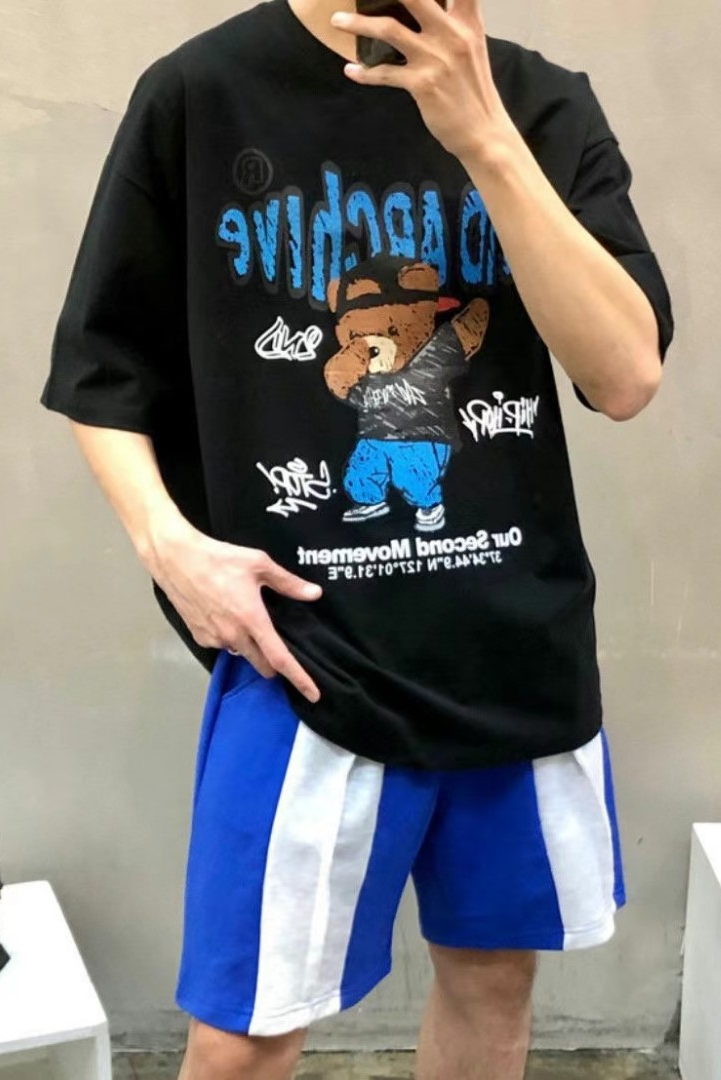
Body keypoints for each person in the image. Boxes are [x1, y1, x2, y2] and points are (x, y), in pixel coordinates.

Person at [40, 0, 674, 1076]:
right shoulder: (200, 95)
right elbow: (102, 372)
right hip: (303, 657)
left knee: (491, 981)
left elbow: (624, 375)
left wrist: (483, 137)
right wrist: (169, 548)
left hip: (511, 654)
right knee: (242, 1039)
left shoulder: (538, 103)